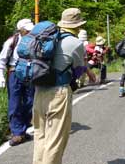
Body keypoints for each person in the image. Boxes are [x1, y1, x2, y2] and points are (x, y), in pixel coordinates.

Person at [33, 8, 95, 164]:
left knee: (40, 136)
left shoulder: (46, 38)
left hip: (39, 90)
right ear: (78, 25)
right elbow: (79, 70)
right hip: (58, 92)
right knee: (55, 141)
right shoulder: (75, 43)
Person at [0, 18, 35, 146]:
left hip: (30, 73)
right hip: (14, 73)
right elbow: (2, 59)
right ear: (21, 30)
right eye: (27, 29)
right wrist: (0, 76)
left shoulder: (34, 40)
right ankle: (17, 133)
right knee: (15, 103)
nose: (30, 31)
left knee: (30, 102)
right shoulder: (12, 41)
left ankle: (21, 130)